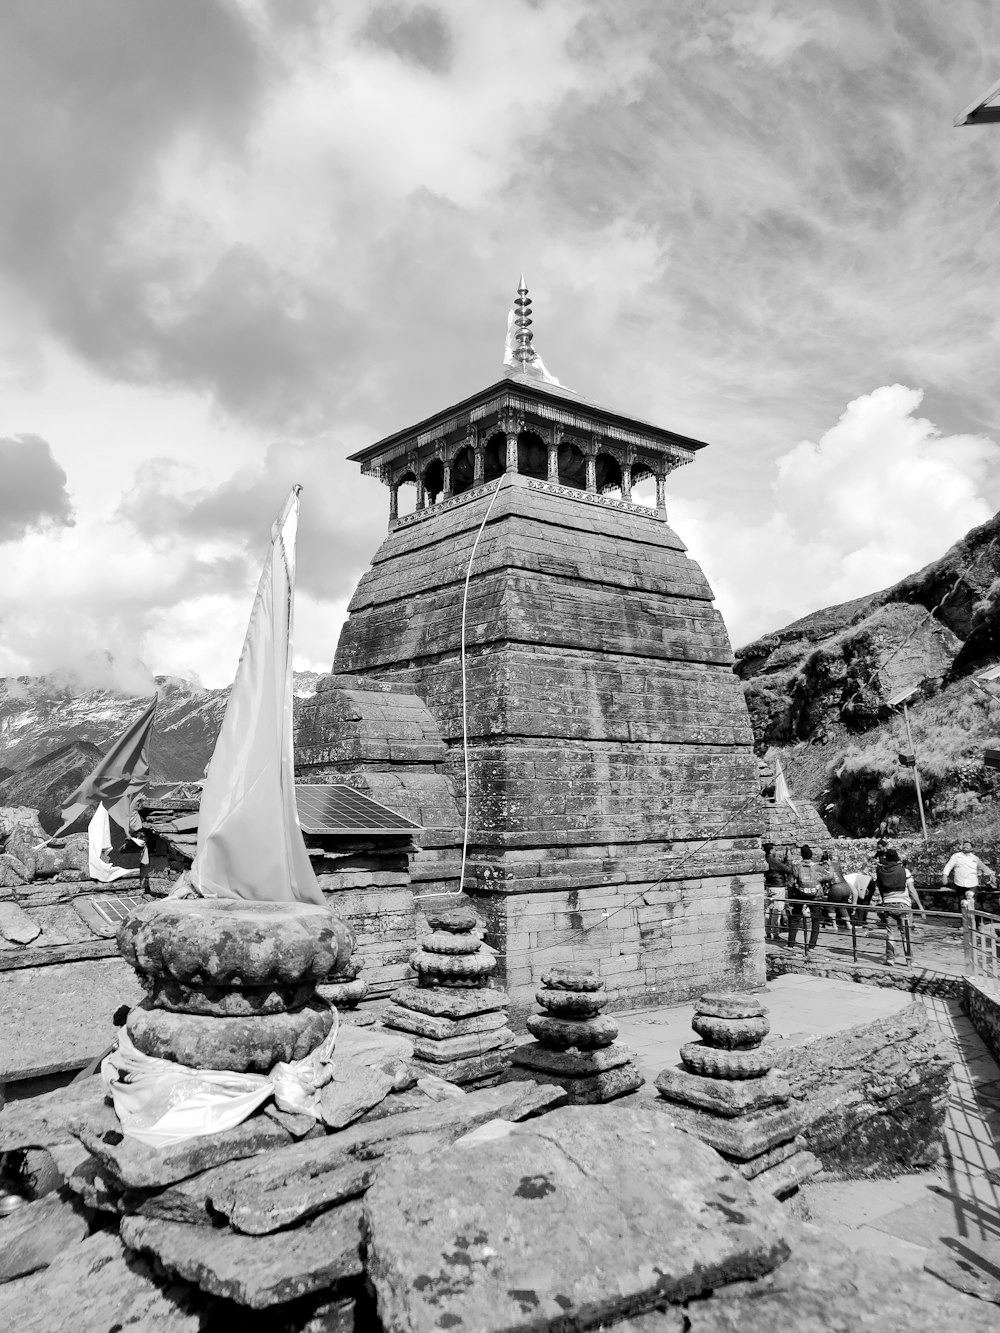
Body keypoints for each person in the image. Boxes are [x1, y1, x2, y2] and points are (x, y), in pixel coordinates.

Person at [876, 848, 925, 966]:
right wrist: (920, 906)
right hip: (904, 905)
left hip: (888, 905)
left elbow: (881, 891)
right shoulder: (905, 871)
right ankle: (909, 961)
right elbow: (912, 890)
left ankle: (890, 959)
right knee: (905, 934)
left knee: (890, 933)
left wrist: (884, 903)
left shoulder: (880, 872)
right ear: (897, 858)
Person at [787, 845, 833, 954]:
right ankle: (812, 946)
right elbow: (830, 876)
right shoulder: (817, 867)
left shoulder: (796, 867)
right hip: (815, 896)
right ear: (811, 855)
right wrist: (830, 867)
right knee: (816, 920)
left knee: (795, 919)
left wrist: (790, 898)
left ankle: (791, 944)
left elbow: (790, 883)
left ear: (802, 855)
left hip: (800, 895)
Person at [762, 842, 794, 943]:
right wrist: (788, 859)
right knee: (777, 909)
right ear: (771, 850)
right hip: (778, 886)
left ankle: (767, 932)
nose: (775, 851)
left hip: (769, 886)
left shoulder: (766, 859)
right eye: (774, 849)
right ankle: (775, 933)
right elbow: (788, 870)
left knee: (769, 909)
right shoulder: (773, 861)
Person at [821, 850, 853, 933]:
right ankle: (848, 924)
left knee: (830, 906)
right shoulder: (838, 864)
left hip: (836, 887)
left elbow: (826, 876)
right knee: (842, 906)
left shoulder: (828, 865)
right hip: (846, 886)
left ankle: (834, 925)